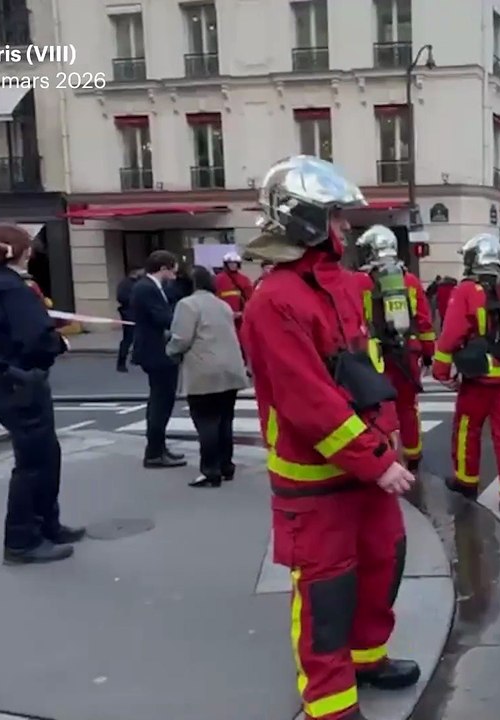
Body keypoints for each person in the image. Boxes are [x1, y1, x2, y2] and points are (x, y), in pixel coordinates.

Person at [241, 155, 420, 720]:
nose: (346, 227)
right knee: (327, 592)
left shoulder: (341, 287)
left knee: (383, 562)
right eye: (337, 216)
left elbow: (362, 370)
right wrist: (377, 460)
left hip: (364, 469)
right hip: (316, 479)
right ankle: (331, 704)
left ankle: (368, 658)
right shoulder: (274, 299)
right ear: (309, 221)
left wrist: (387, 439)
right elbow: (308, 402)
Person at [0, 224, 84, 565]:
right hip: (20, 383)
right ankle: (21, 540)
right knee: (33, 463)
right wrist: (59, 343)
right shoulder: (12, 289)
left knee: (45, 455)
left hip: (2, 382)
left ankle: (47, 525)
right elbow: (35, 337)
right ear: (22, 252)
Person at [431, 235, 500, 519]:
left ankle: (466, 483)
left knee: (467, 429)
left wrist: (440, 370)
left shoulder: (466, 290)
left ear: (473, 259)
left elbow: (451, 334)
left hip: (479, 378)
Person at [349, 225, 436, 471]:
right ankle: (413, 454)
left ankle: (389, 460)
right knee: (408, 406)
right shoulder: (410, 280)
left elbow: (353, 320)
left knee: (381, 410)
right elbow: (424, 321)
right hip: (408, 352)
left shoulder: (358, 281)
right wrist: (428, 353)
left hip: (375, 356)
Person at [166, 265, 250, 489]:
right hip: (230, 369)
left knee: (206, 422)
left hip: (204, 370)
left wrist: (169, 349)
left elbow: (181, 339)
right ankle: (226, 465)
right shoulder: (222, 304)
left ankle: (210, 471)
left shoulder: (187, 305)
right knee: (225, 420)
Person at [130, 250, 186, 469]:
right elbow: (162, 317)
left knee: (163, 401)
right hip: (155, 351)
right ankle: (154, 452)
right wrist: (182, 320)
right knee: (160, 402)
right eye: (173, 270)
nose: (174, 275)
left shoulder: (153, 287)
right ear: (163, 268)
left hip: (156, 349)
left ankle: (159, 448)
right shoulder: (146, 288)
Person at [214, 251, 254, 332]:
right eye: (230, 263)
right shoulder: (218, 279)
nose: (233, 265)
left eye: (235, 263)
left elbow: (250, 299)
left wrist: (242, 313)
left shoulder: (244, 279)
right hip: (223, 317)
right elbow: (214, 298)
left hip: (240, 318)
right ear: (226, 264)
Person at [115, 267, 141, 372]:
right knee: (128, 338)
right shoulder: (126, 284)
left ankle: (136, 358)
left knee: (138, 337)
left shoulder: (136, 283)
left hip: (135, 313)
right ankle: (121, 363)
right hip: (129, 314)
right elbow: (122, 298)